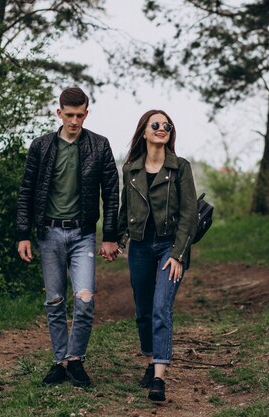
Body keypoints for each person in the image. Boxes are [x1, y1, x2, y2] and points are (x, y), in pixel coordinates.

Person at [16, 87, 120, 387]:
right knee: (55, 301)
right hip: (48, 233)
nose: (74, 121)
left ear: (86, 113)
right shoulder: (42, 146)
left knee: (85, 299)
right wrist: (23, 233)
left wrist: (109, 236)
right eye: (69, 114)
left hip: (83, 234)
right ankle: (60, 361)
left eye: (80, 115)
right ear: (58, 112)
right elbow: (26, 191)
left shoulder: (99, 146)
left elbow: (112, 193)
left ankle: (76, 360)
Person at [117, 110, 198, 401]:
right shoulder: (131, 169)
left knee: (162, 307)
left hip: (168, 247)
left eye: (167, 125)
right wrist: (116, 240)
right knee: (143, 311)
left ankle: (159, 378)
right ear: (144, 132)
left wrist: (178, 254)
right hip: (139, 247)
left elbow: (190, 214)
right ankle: (151, 361)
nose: (162, 128)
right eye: (156, 125)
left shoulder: (180, 168)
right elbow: (125, 210)